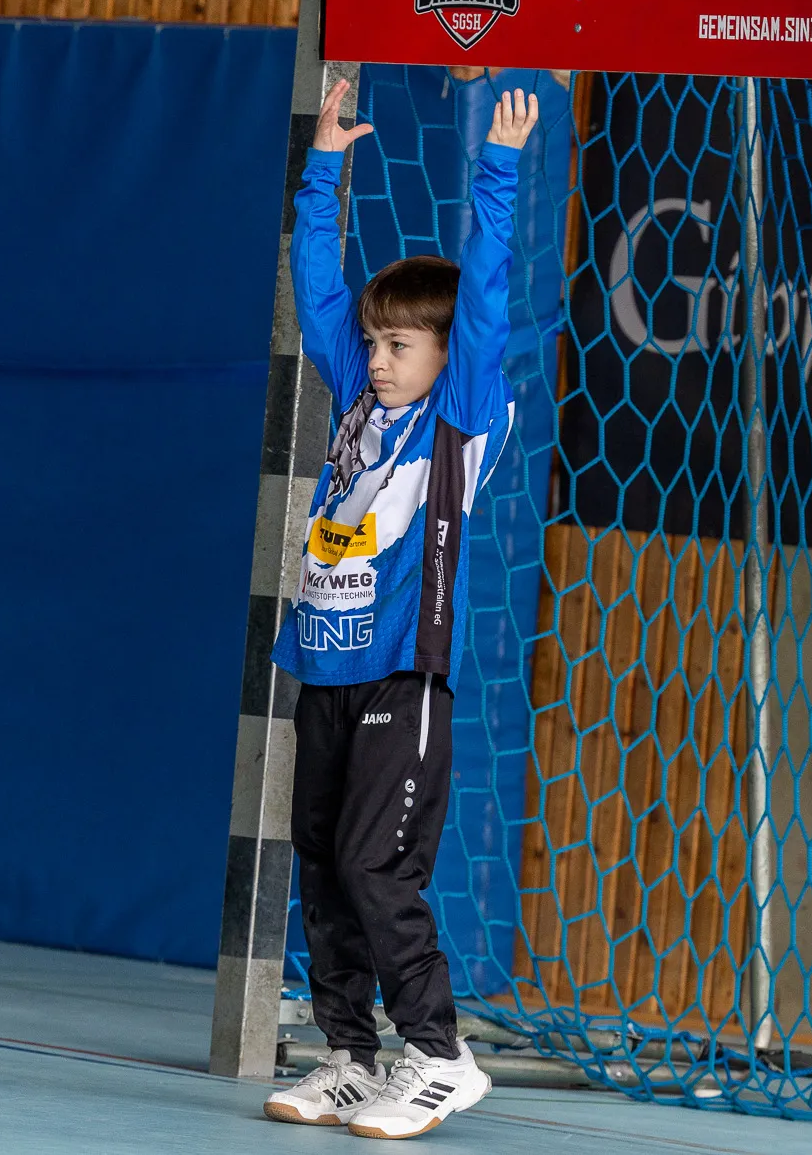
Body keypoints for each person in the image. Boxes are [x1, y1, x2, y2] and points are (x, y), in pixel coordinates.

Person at [262, 75, 539, 1139]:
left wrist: (499, 170)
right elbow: (317, 287)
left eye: (398, 347)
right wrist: (325, 166)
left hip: (401, 680)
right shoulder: (359, 401)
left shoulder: (457, 417)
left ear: (443, 359)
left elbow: (486, 296)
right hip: (326, 671)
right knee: (324, 869)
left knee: (377, 866)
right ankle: (350, 1055)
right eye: (373, 345)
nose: (377, 360)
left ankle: (439, 1054)